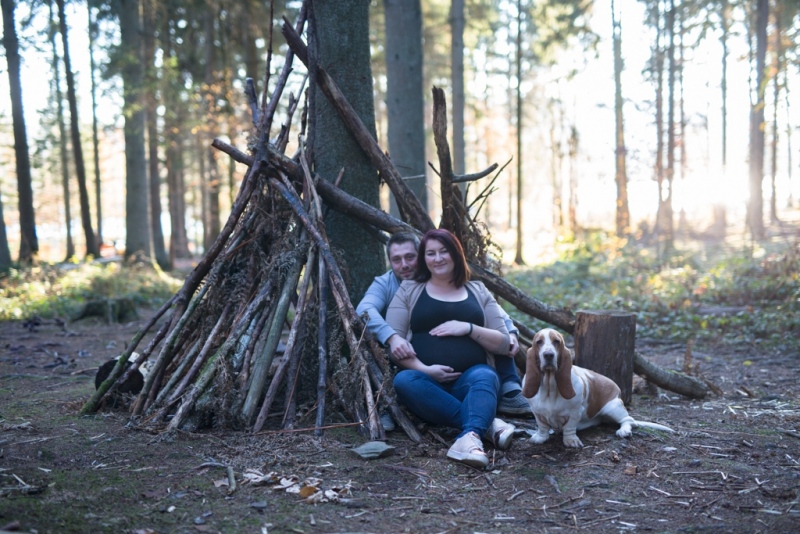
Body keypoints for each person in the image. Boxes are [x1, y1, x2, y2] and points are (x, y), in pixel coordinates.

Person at [356, 232, 529, 416]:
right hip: (405, 356)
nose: (404, 265)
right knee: (403, 379)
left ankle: (510, 390)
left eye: (410, 257)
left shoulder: (464, 285)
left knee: (489, 358)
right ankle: (479, 419)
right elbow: (364, 309)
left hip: (474, 370)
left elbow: (494, 314)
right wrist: (391, 337)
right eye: (397, 259)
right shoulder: (388, 284)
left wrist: (509, 331)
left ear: (419, 255)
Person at [384, 229, 516, 469]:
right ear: (424, 258)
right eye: (431, 253)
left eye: (444, 251)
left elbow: (504, 343)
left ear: (456, 254)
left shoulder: (478, 290)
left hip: (472, 381)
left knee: (486, 375)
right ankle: (484, 425)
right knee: (403, 380)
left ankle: (470, 437)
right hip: (426, 383)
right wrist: (426, 369)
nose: (438, 258)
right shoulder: (409, 290)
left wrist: (467, 327)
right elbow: (395, 344)